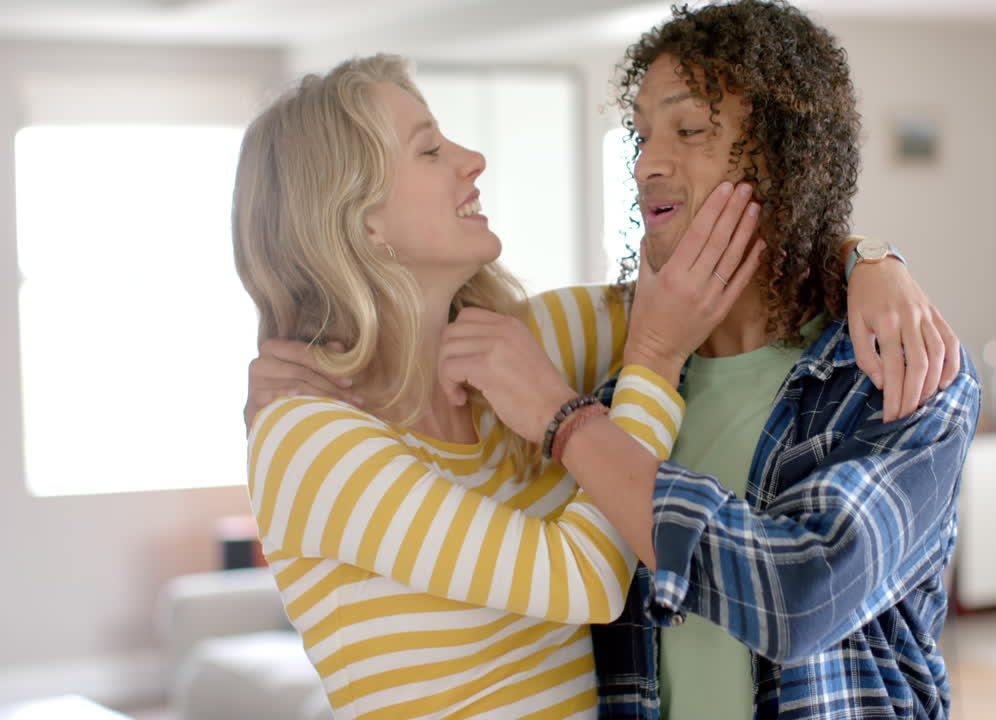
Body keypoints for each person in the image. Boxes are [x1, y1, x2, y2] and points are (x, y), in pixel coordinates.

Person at [234, 53, 770, 720]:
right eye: (429, 150)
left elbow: (733, 287)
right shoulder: (308, 440)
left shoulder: (522, 345)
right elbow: (588, 581)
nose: (472, 159)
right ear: (361, 220)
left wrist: (867, 264)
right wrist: (652, 362)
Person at [572, 3, 982, 719]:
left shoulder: (899, 372)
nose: (646, 163)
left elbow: (802, 595)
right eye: (641, 134)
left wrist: (569, 429)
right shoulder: (630, 384)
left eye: (690, 129)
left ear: (785, 154)